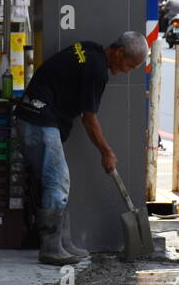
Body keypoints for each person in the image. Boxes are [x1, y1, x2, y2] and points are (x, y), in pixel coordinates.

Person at [14, 33, 147, 266]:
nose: (127, 71)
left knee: (56, 181)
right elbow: (89, 118)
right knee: (57, 180)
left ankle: (63, 243)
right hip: (38, 118)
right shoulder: (96, 70)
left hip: (37, 117)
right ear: (118, 52)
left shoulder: (90, 48)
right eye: (129, 65)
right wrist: (106, 151)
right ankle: (51, 248)